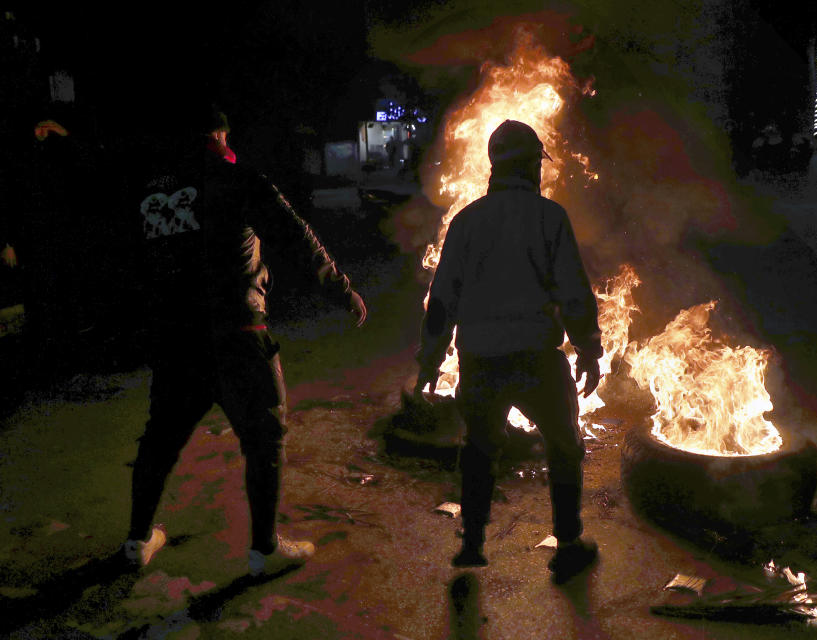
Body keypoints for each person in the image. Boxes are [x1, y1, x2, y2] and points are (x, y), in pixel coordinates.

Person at [122, 108, 367, 577]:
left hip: (176, 339)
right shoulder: (235, 179)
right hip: (237, 333)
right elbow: (295, 236)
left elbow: (133, 264)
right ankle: (264, 550)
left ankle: (137, 541)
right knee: (264, 438)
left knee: (161, 439)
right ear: (217, 134)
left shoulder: (151, 194)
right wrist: (341, 290)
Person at [415, 119, 602, 584]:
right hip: (537, 358)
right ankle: (569, 545)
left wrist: (430, 361)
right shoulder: (550, 217)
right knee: (564, 445)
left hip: (480, 360)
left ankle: (473, 545)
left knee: (479, 450)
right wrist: (588, 348)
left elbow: (442, 300)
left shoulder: (466, 221)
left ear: (495, 166)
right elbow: (575, 293)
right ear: (532, 166)